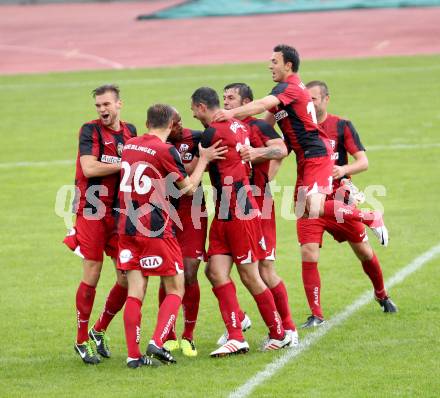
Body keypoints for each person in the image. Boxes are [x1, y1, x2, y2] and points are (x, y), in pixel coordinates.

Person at [212, 44, 389, 325]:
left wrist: (229, 114)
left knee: (314, 206)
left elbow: (260, 106)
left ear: (289, 66)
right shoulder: (279, 94)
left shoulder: (292, 87)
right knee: (304, 210)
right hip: (304, 162)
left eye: (274, 61)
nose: (269, 65)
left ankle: (369, 215)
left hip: (316, 156)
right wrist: (261, 155)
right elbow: (268, 124)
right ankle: (315, 314)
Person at [117, 104, 226, 368]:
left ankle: (133, 356)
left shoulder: (130, 145)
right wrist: (204, 160)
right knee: (176, 287)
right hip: (154, 227)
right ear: (169, 125)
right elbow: (188, 188)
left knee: (135, 290)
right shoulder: (165, 150)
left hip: (126, 226)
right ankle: (157, 341)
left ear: (146, 123)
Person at [191, 87, 292, 357]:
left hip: (240, 207)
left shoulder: (212, 133)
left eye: (193, 110)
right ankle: (236, 335)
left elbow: (196, 163)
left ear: (201, 108)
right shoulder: (239, 126)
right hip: (226, 208)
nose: (192, 115)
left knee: (251, 275)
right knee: (214, 271)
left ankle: (279, 333)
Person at [297, 80, 397, 327]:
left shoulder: (341, 126)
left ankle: (382, 294)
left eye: (314, 99)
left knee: (363, 251)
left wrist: (343, 169)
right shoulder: (299, 128)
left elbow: (363, 162)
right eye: (306, 99)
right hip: (307, 198)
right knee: (308, 253)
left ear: (326, 99)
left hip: (338, 199)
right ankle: (316, 314)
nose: (309, 103)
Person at [215, 82, 298, 347]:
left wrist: (258, 154)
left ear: (246, 102)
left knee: (264, 268)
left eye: (231, 98)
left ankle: (288, 328)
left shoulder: (256, 126)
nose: (226, 102)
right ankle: (238, 321)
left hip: (258, 206)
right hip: (230, 207)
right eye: (224, 98)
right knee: (218, 269)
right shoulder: (222, 128)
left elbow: (282, 150)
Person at [63, 84, 137, 365]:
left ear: (119, 104)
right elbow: (90, 168)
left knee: (126, 276)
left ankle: (99, 329)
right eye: (98, 105)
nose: (103, 110)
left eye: (107, 104)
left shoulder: (130, 131)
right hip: (92, 209)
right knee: (92, 272)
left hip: (119, 212)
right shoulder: (90, 130)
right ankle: (81, 340)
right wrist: (125, 163)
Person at [159, 110, 208, 357]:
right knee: (166, 273)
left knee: (189, 272)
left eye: (180, 121)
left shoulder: (197, 137)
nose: (179, 126)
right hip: (166, 213)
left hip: (194, 214)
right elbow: (184, 174)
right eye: (174, 123)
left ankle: (189, 335)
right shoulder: (158, 144)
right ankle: (168, 335)